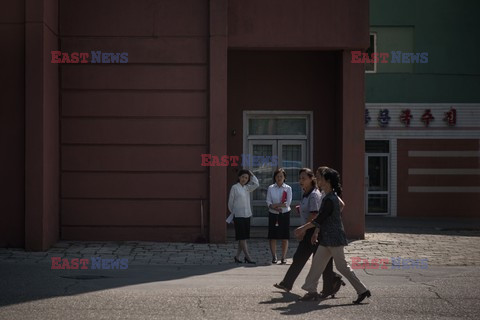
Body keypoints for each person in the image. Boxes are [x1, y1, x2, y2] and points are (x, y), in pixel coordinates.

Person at [297, 167, 371, 304]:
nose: (317, 180)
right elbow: (322, 220)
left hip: (334, 239)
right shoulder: (327, 197)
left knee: (342, 267)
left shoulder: (331, 199)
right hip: (326, 239)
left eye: (320, 178)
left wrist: (303, 228)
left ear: (328, 181)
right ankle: (311, 290)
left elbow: (320, 219)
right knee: (316, 265)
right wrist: (316, 232)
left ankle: (362, 290)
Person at [273, 168, 345, 297]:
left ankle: (330, 283)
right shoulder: (306, 193)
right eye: (300, 178)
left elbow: (315, 214)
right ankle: (288, 283)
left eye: (303, 178)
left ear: (312, 179)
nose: (300, 180)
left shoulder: (314, 194)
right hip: (310, 230)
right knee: (304, 258)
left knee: (322, 262)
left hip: (314, 231)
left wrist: (304, 230)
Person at [228, 169, 259, 264]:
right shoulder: (234, 187)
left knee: (243, 238)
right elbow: (230, 202)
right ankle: (248, 257)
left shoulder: (247, 188)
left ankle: (237, 257)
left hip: (247, 215)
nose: (244, 179)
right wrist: (233, 214)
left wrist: (251, 174)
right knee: (242, 237)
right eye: (243, 177)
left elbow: (257, 184)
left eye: (246, 178)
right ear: (239, 177)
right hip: (238, 215)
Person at [266, 168, 293, 264]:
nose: (279, 178)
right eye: (277, 176)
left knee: (284, 236)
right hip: (273, 214)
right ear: (275, 177)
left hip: (284, 214)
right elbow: (268, 201)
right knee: (272, 236)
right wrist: (273, 207)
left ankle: (284, 257)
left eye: (281, 176)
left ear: (284, 177)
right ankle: (274, 256)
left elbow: (287, 203)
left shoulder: (288, 188)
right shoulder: (271, 188)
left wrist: (275, 205)